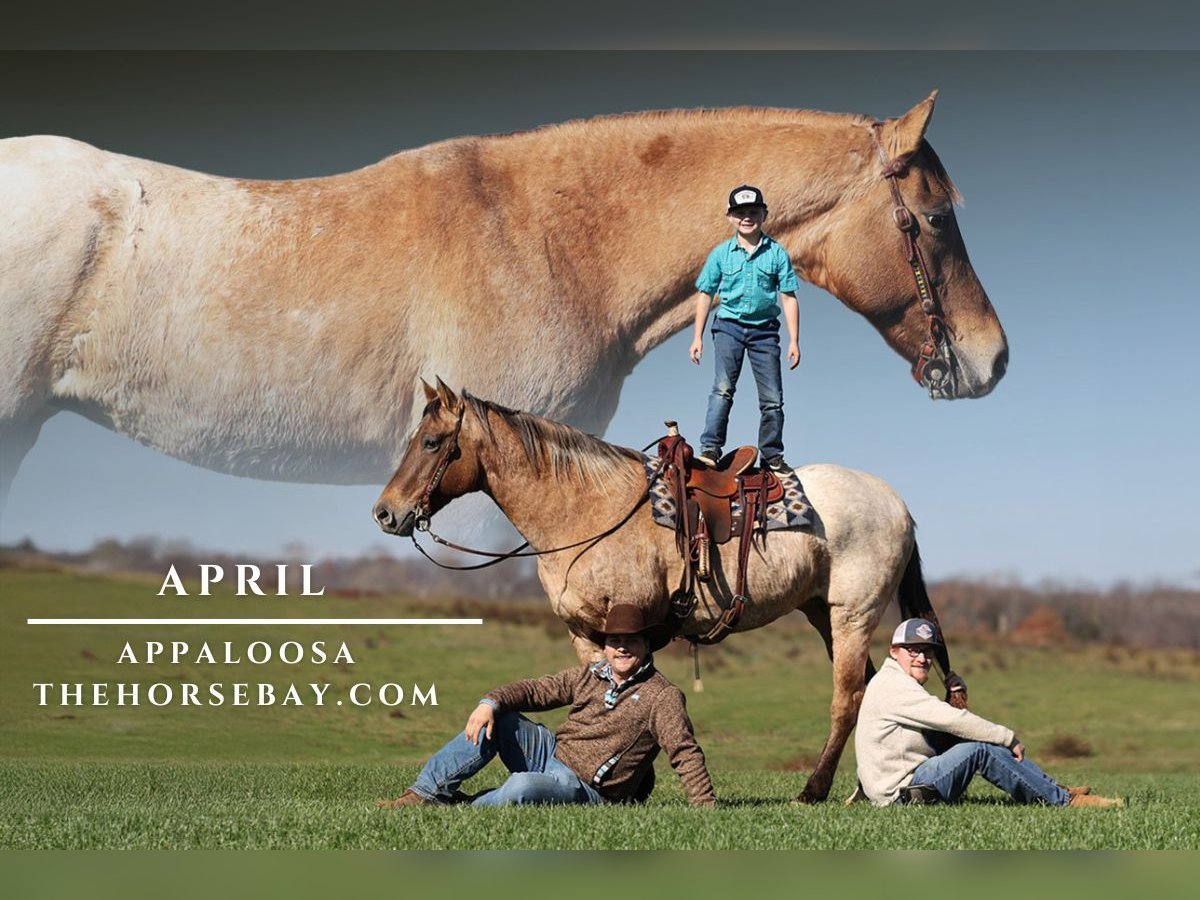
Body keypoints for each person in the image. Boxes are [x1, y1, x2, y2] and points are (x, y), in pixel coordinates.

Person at [378, 604, 716, 808]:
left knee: (522, 787)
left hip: (586, 789)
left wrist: (704, 808)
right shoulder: (590, 674)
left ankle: (463, 806)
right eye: (615, 641)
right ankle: (423, 794)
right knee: (501, 719)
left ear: (646, 645)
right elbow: (537, 689)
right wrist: (489, 702)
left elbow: (684, 752)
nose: (622, 648)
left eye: (631, 641)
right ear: (606, 646)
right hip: (551, 754)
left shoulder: (662, 696)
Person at [854, 618, 1124, 808]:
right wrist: (1007, 737)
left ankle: (1054, 790)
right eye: (913, 650)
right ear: (894, 651)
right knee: (980, 749)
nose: (922, 658)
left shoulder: (889, 681)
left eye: (927, 651)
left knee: (975, 742)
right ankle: (1063, 802)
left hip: (905, 786)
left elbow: (938, 732)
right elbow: (952, 721)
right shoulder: (895, 686)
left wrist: (956, 696)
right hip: (903, 797)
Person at [689, 184, 801, 472]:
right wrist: (697, 337)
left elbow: (788, 296)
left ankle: (772, 455)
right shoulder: (721, 254)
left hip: (765, 332)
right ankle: (711, 450)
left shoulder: (776, 254)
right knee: (723, 389)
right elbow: (705, 294)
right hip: (729, 327)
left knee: (773, 398)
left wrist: (794, 340)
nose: (747, 218)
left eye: (753, 212)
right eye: (740, 213)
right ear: (730, 218)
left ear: (763, 214)